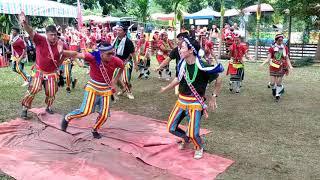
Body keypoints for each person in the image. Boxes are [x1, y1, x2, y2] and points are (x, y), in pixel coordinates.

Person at [160, 37, 224, 159]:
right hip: (181, 101)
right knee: (171, 127)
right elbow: (178, 79)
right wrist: (166, 88)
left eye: (182, 47)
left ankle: (199, 146)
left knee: (193, 133)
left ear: (190, 50)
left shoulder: (203, 66)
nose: (180, 49)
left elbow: (219, 78)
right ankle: (186, 138)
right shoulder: (182, 64)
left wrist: (214, 97)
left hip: (195, 103)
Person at [61, 43, 125, 138]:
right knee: (85, 111)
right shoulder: (93, 56)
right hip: (93, 87)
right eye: (109, 54)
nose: (112, 56)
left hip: (106, 90)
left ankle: (95, 129)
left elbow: (122, 67)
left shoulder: (115, 60)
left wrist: (115, 80)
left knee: (104, 115)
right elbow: (75, 54)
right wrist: (59, 52)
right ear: (101, 54)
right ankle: (67, 118)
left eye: (113, 53)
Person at [19, 12, 66, 118]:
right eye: (51, 35)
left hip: (51, 73)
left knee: (52, 91)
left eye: (55, 34)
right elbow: (30, 31)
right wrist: (24, 23)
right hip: (39, 70)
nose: (53, 37)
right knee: (34, 89)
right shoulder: (40, 39)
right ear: (47, 34)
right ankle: (25, 108)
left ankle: (48, 107)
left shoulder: (60, 44)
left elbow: (64, 56)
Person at [260, 34, 293, 101]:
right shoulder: (272, 48)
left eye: (282, 40)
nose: (281, 42)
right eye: (279, 40)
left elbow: (287, 58)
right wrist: (263, 63)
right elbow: (268, 58)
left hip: (282, 66)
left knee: (278, 83)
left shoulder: (285, 48)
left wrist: (290, 66)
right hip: (273, 66)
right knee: (272, 83)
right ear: (276, 40)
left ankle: (278, 95)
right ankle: (274, 89)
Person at [112, 23, 136, 99]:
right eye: (117, 30)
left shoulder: (128, 42)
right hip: (116, 61)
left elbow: (133, 53)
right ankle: (123, 89)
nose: (118, 31)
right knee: (114, 77)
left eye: (120, 30)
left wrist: (136, 63)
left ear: (124, 32)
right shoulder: (115, 40)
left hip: (126, 61)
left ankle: (129, 92)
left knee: (125, 78)